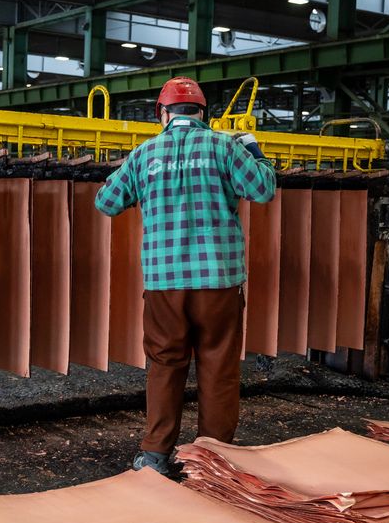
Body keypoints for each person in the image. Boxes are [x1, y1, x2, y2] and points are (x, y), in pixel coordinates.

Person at [94, 76, 276, 476]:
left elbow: (105, 202)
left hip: (164, 285)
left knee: (164, 365)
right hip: (219, 282)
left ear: (162, 113)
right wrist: (256, 152)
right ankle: (213, 460)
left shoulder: (145, 154)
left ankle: (156, 456)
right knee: (219, 367)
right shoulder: (225, 147)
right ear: (203, 113)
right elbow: (263, 190)